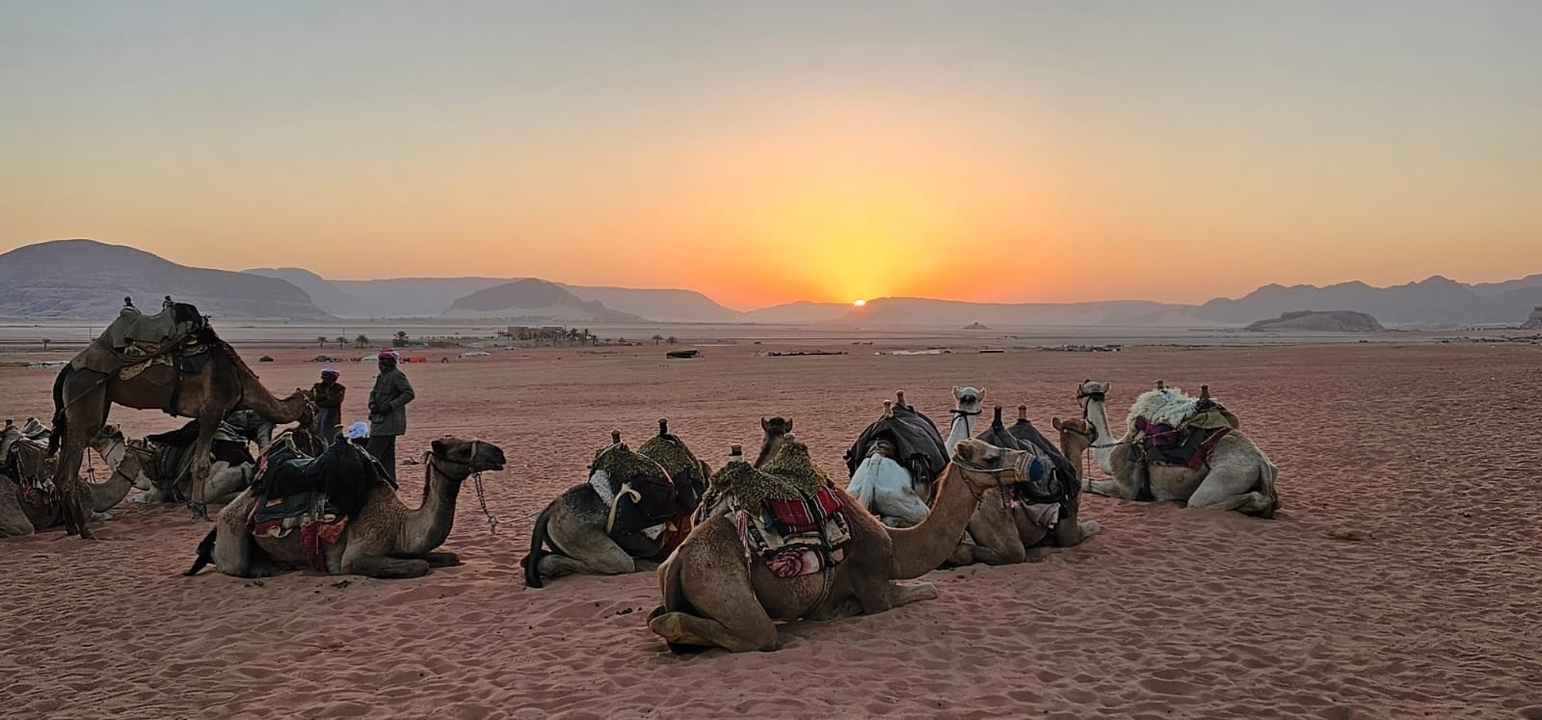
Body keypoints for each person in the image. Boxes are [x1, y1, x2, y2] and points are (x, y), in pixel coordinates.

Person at [366, 348, 414, 481]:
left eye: (388, 360)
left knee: (372, 454)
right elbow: (374, 393)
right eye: (382, 360)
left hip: (389, 421)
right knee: (387, 456)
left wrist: (391, 406)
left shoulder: (397, 375)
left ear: (394, 362)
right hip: (378, 419)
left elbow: (409, 393)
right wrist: (373, 404)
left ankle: (371, 482)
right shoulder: (382, 376)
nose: (384, 363)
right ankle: (389, 481)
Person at [311, 366, 346, 443]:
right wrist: (326, 397)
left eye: (325, 375)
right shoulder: (317, 386)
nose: (323, 377)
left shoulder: (339, 388)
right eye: (322, 375)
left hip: (332, 415)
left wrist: (320, 402)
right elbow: (313, 397)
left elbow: (336, 401)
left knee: (331, 435)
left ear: (332, 376)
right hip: (318, 414)